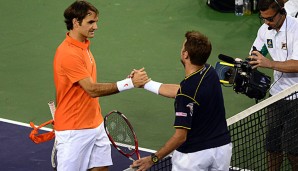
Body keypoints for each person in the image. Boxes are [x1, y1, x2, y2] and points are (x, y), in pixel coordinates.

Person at [53, 1, 149, 171]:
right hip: (74, 131)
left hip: (95, 125)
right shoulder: (68, 53)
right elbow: (91, 89)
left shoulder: (83, 46)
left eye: (96, 22)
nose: (96, 26)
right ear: (76, 22)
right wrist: (129, 83)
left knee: (101, 169)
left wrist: (127, 81)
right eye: (90, 22)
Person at [131, 31, 232, 171]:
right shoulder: (210, 72)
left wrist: (153, 159)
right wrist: (146, 84)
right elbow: (182, 92)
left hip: (194, 157)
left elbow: (180, 137)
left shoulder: (187, 93)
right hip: (222, 150)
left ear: (185, 54)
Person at [248, 0, 298, 170]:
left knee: (293, 150)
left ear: (282, 12)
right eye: (263, 18)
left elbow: (297, 64)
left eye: (269, 19)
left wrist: (269, 64)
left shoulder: (296, 29)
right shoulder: (264, 30)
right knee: (273, 146)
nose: (266, 23)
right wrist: (245, 65)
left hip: (296, 97)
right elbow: (255, 54)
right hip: (276, 97)